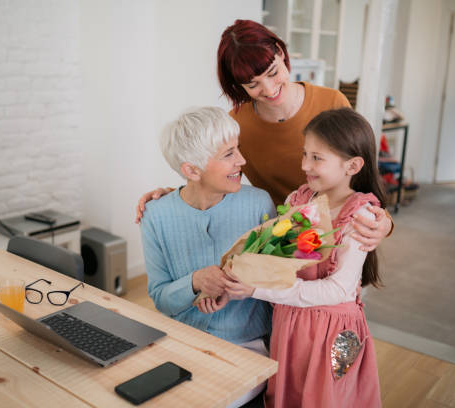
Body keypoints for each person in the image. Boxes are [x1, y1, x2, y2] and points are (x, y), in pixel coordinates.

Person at [135, 19, 392, 252]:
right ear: (238, 85)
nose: (269, 90)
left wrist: (384, 221)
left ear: (281, 53)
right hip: (281, 240)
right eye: (252, 84)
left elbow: (361, 174)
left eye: (272, 72)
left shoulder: (331, 102)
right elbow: (220, 177)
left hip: (338, 233)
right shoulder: (238, 123)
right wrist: (177, 195)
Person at [222, 108, 384, 407]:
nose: (304, 165)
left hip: (329, 333)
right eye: (305, 154)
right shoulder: (297, 201)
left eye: (317, 158)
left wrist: (257, 289)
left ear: (353, 165)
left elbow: (337, 290)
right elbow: (279, 264)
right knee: (290, 393)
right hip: (289, 324)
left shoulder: (359, 216)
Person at [139, 106, 275, 407]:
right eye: (229, 154)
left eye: (237, 149)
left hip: (246, 347)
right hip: (181, 345)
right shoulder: (155, 216)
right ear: (191, 170)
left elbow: (274, 282)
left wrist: (235, 287)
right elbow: (160, 297)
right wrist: (194, 282)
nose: (242, 160)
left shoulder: (259, 204)